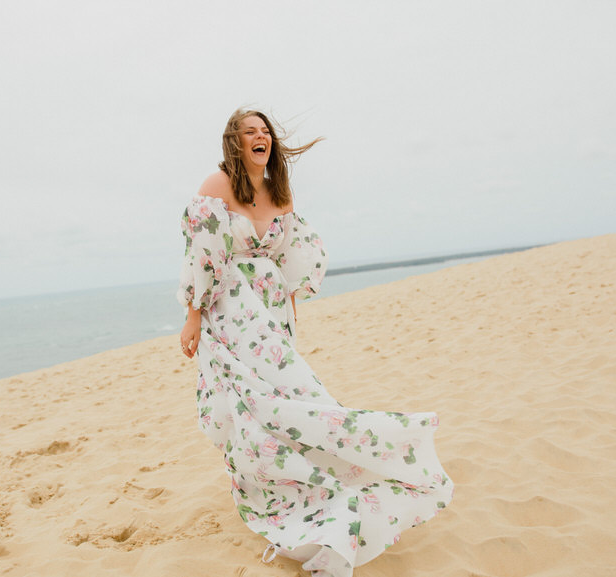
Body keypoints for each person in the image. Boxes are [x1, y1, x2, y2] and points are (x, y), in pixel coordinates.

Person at [178, 108, 453, 577]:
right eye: (250, 132)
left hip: (271, 310)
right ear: (235, 142)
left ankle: (325, 478)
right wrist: (192, 316)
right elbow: (201, 255)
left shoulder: (279, 190)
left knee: (285, 393)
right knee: (250, 398)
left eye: (265, 131)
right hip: (231, 309)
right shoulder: (216, 186)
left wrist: (287, 298)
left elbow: (290, 254)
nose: (260, 137)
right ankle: (273, 479)